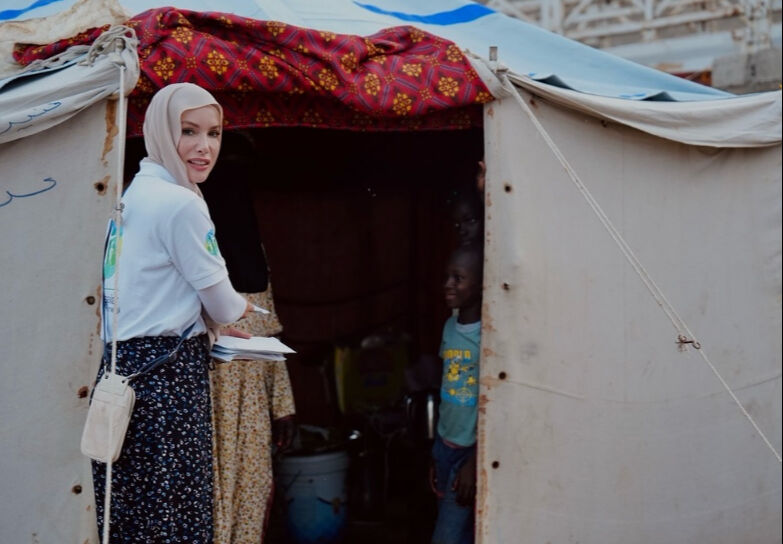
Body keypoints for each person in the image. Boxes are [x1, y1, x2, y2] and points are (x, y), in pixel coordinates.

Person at [92, 82, 252, 543]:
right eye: (188, 131)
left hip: (122, 376)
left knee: (133, 522)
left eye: (215, 133)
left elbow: (149, 292)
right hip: (166, 384)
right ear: (162, 131)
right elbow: (223, 302)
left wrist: (206, 327)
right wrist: (239, 309)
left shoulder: (131, 196)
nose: (205, 147)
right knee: (174, 521)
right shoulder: (181, 204)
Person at [200, 134, 297, 544]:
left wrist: (283, 408)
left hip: (252, 404)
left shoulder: (254, 258)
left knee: (250, 495)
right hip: (204, 399)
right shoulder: (193, 252)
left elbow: (267, 334)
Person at [430, 244, 483, 544]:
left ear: (480, 286)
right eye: (447, 277)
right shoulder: (450, 327)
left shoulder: (487, 335)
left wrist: (475, 461)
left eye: (458, 278)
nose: (448, 284)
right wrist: (436, 450)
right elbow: (445, 389)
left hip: (468, 453)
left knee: (447, 537)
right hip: (444, 447)